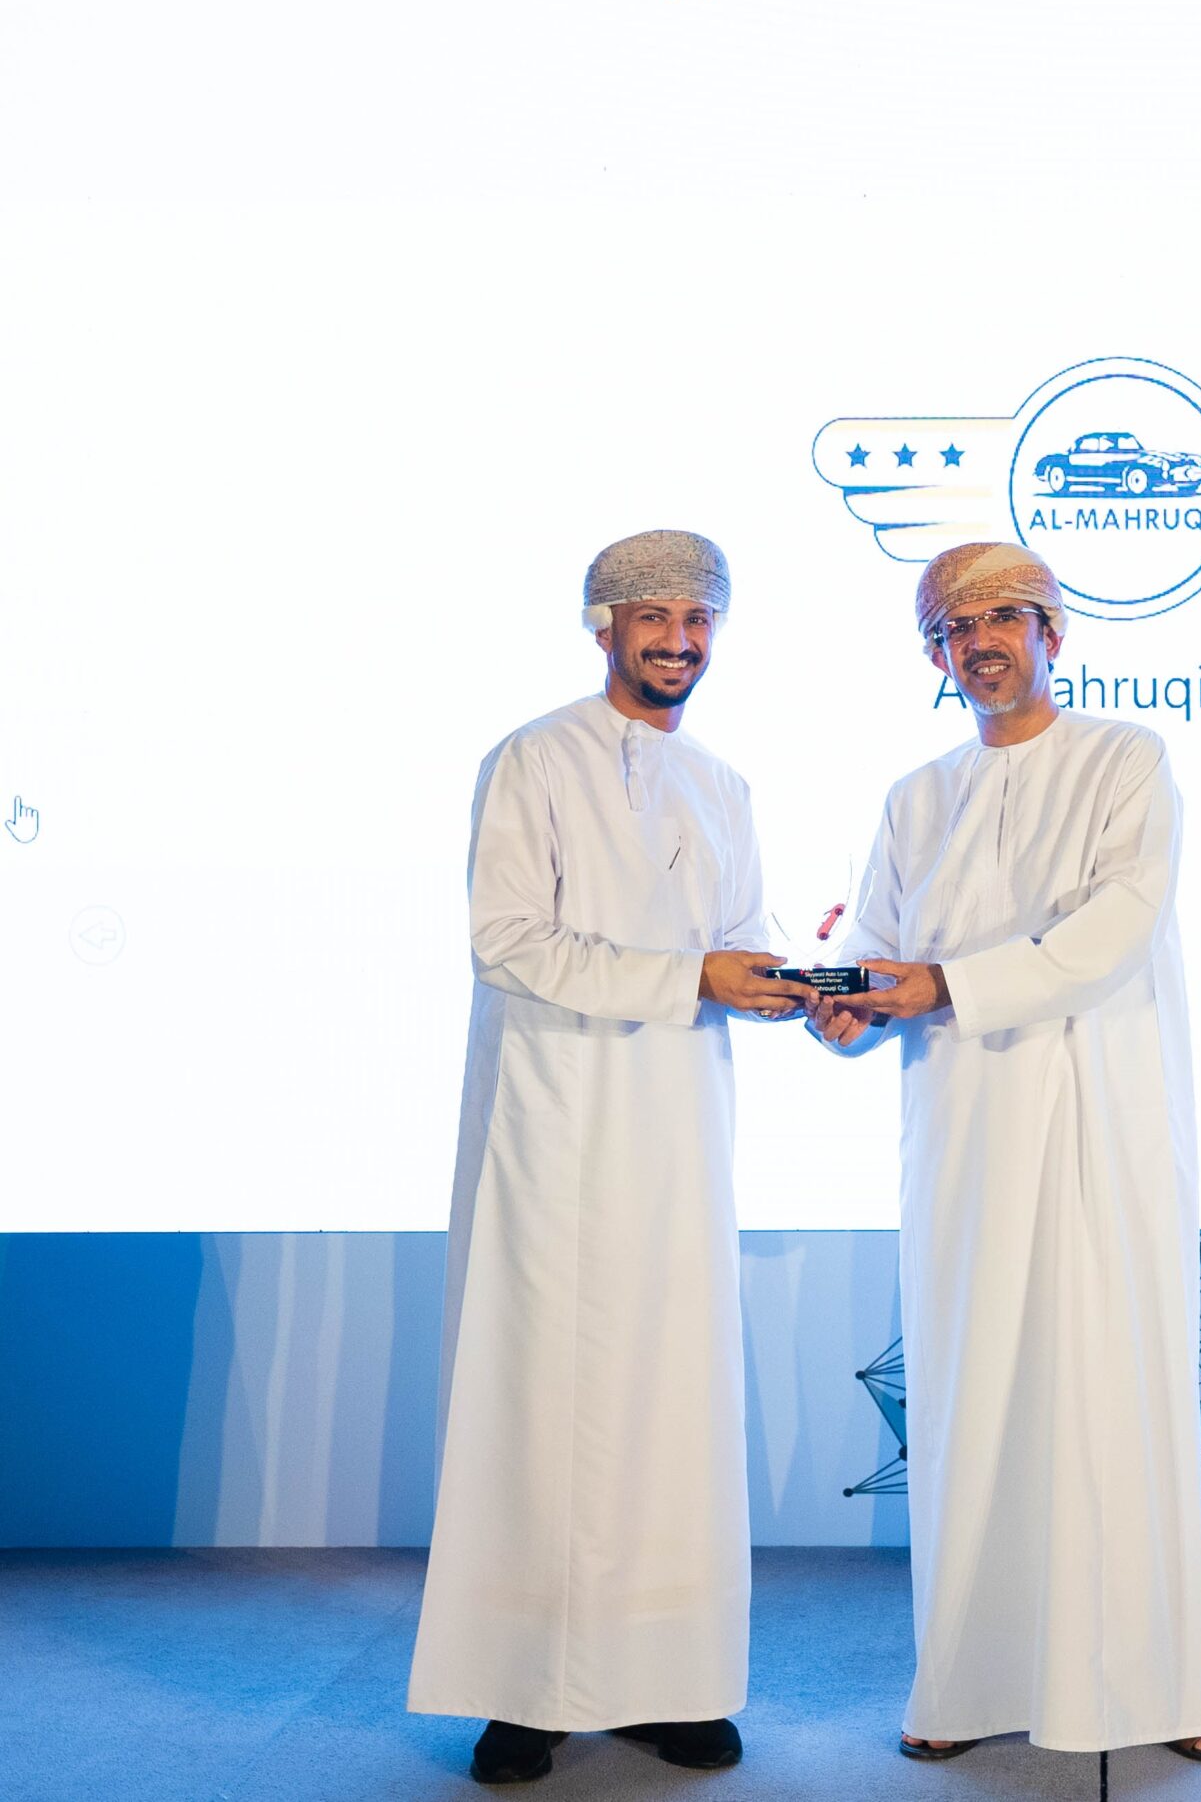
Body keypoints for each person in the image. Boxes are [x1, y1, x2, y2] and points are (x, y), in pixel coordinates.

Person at [806, 541, 1201, 1766]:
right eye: (956, 626)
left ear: (1054, 633)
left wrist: (942, 983)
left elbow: (1113, 926)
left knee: (1118, 1389)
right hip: (963, 1130)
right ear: (934, 653)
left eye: (1005, 616)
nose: (982, 641)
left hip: (1103, 1114)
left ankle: (1160, 1690)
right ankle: (964, 1684)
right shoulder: (916, 795)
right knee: (973, 1393)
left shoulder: (1125, 759)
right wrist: (844, 1006)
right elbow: (881, 946)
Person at [408, 530, 806, 1786]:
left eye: (698, 618)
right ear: (603, 625)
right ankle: (524, 1692)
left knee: (670, 1405)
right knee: (537, 1402)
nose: (678, 640)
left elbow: (737, 940)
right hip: (551, 1125)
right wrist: (693, 975)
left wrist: (802, 987)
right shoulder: (532, 758)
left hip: (676, 1133)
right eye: (653, 616)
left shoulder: (724, 785)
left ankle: (665, 1682)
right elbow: (507, 939)